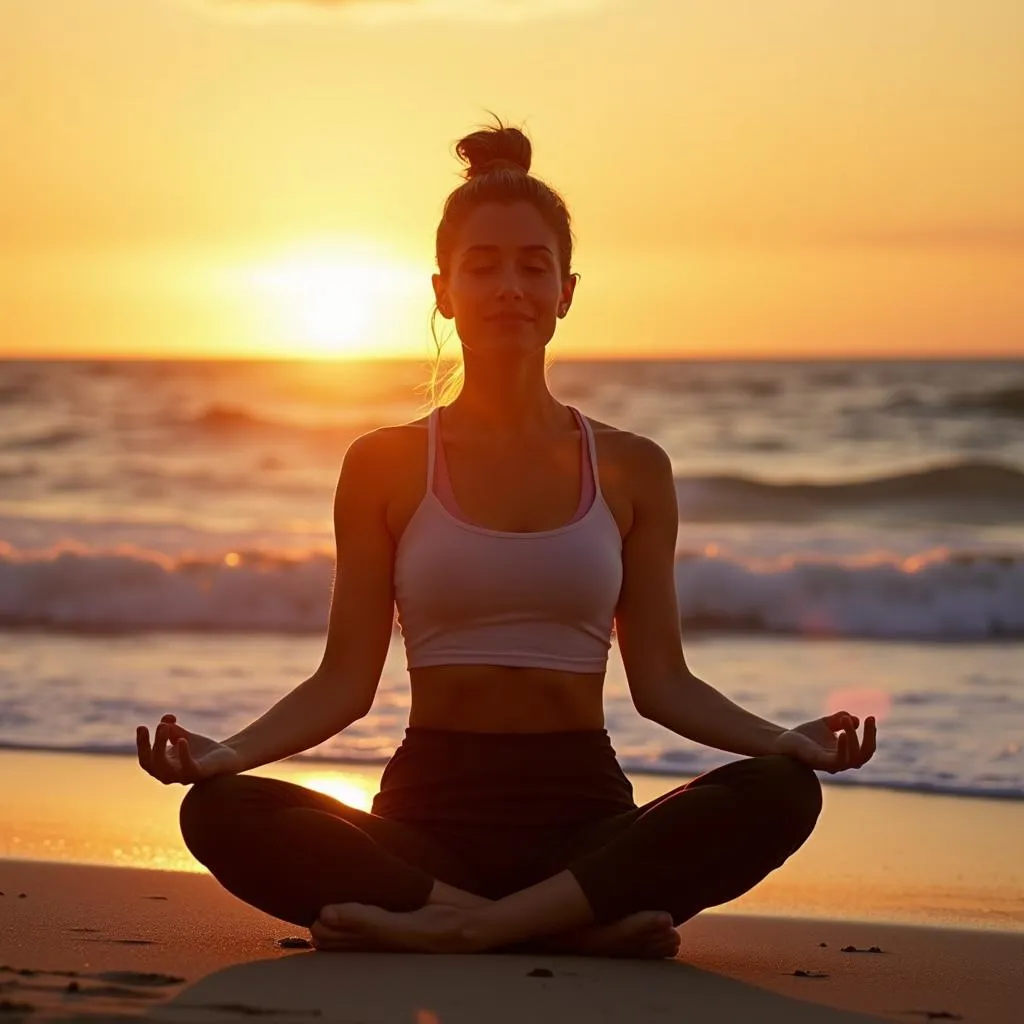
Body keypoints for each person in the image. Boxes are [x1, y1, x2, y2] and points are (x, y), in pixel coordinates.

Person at [137, 118, 877, 959]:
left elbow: (664, 684)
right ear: (444, 290)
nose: (509, 288)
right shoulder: (383, 464)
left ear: (567, 290)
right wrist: (223, 752)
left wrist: (788, 741)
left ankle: (457, 929)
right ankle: (568, 927)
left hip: (582, 824)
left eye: (534, 266)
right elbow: (343, 684)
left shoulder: (633, 468)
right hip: (423, 828)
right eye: (482, 267)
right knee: (220, 809)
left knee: (783, 792)